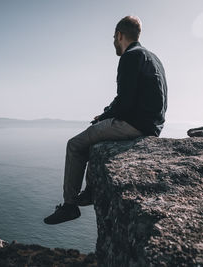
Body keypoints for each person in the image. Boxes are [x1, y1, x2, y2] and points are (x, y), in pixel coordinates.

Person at [44, 15, 168, 225]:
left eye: (113, 37)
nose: (113, 43)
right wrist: (106, 114)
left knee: (74, 145)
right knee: (97, 134)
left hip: (135, 124)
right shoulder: (153, 57)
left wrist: (104, 116)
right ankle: (90, 191)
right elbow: (133, 98)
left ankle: (70, 205)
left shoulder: (129, 57)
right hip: (153, 124)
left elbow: (125, 102)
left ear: (119, 35)